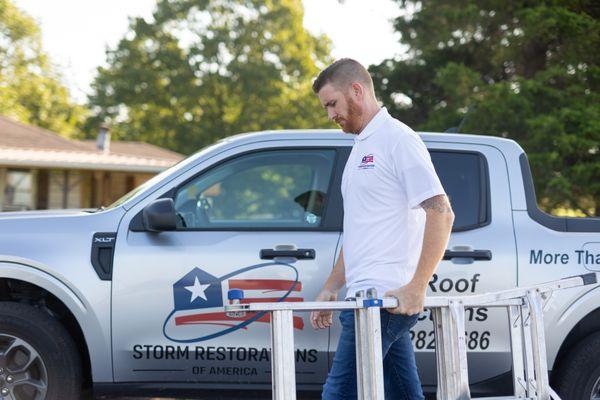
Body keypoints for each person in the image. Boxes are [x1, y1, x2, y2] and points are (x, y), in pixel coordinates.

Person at [310, 58, 455, 399]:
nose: (330, 114)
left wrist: (417, 287)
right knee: (403, 392)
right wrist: (332, 287)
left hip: (384, 300)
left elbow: (441, 212)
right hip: (364, 300)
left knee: (338, 392)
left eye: (332, 104)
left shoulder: (398, 139)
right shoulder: (361, 146)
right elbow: (360, 231)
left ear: (356, 91)